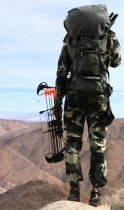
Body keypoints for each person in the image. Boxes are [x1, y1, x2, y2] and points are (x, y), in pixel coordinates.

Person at [54, 4, 121, 207]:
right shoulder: (109, 37)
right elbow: (117, 61)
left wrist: (58, 99)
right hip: (98, 96)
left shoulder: (70, 39)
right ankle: (96, 193)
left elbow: (61, 71)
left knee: (72, 143)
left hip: (74, 96)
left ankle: (74, 191)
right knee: (97, 144)